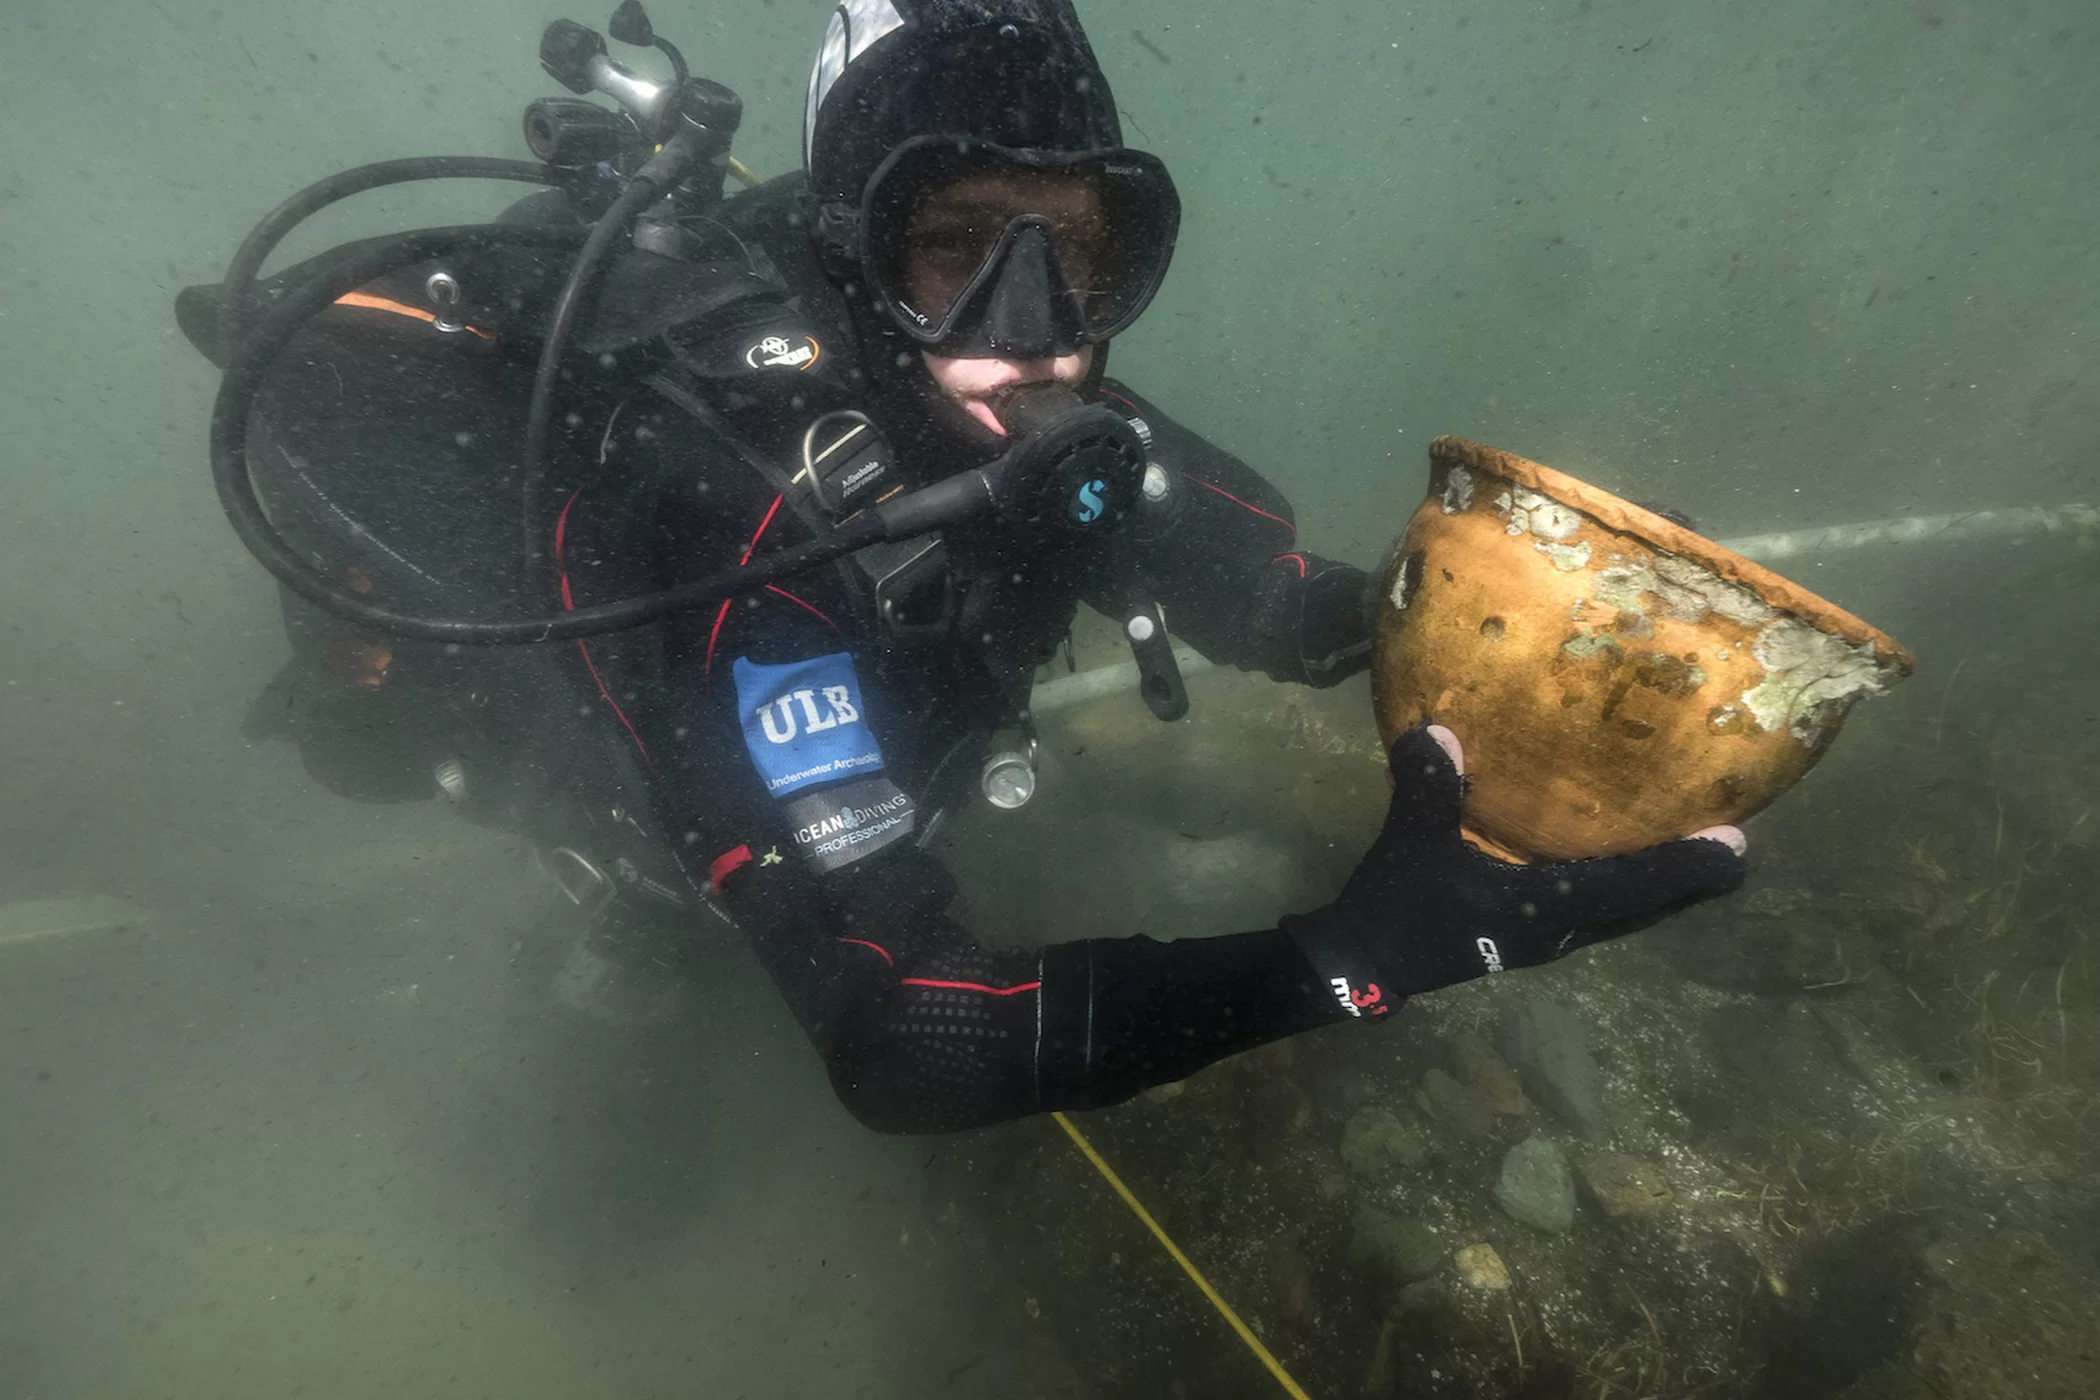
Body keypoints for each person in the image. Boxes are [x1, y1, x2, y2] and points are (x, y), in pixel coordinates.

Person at [207, 0, 1748, 1133]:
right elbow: (903, 1039)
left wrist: (1554, 628)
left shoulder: (1046, 414)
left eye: (1074, 251)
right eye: (955, 245)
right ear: (852, 248)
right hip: (641, 758)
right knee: (624, 1076)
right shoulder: (739, 513)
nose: (1034, 327)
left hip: (892, 749)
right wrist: (1348, 961)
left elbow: (1288, 605)